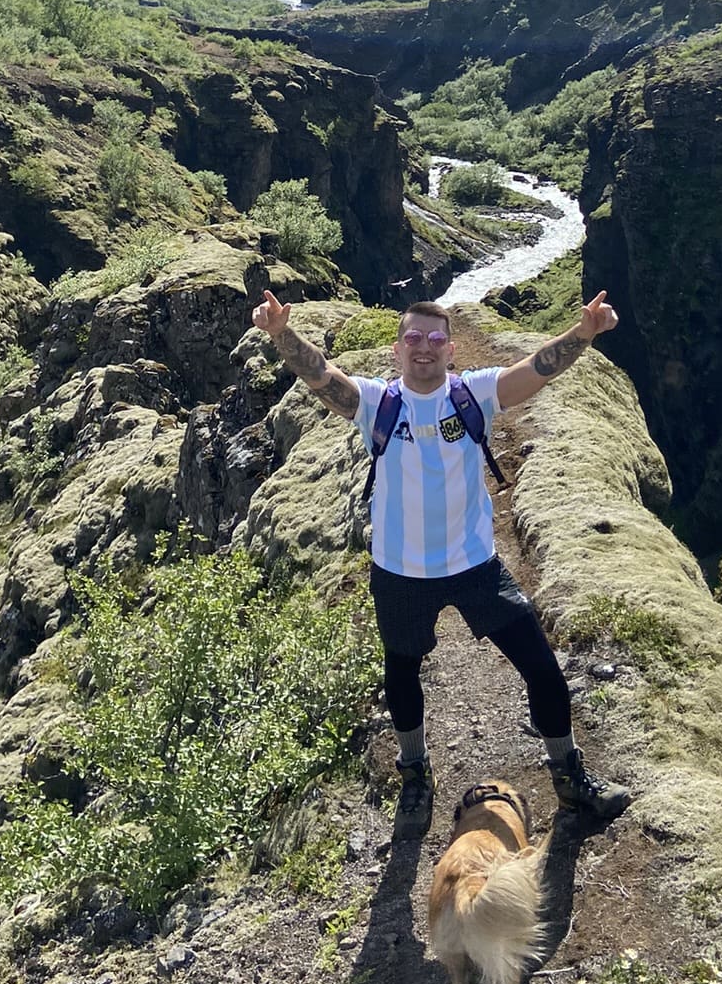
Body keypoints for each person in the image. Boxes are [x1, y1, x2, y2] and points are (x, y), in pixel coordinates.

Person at [250, 289, 632, 841]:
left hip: (474, 563)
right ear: (396, 351)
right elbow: (320, 376)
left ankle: (569, 777)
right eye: (413, 338)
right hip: (400, 570)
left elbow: (535, 371)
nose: (423, 348)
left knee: (543, 669)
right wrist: (281, 334)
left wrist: (585, 332)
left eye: (434, 339)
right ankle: (414, 775)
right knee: (402, 674)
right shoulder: (377, 403)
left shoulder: (473, 394)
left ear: (451, 351)